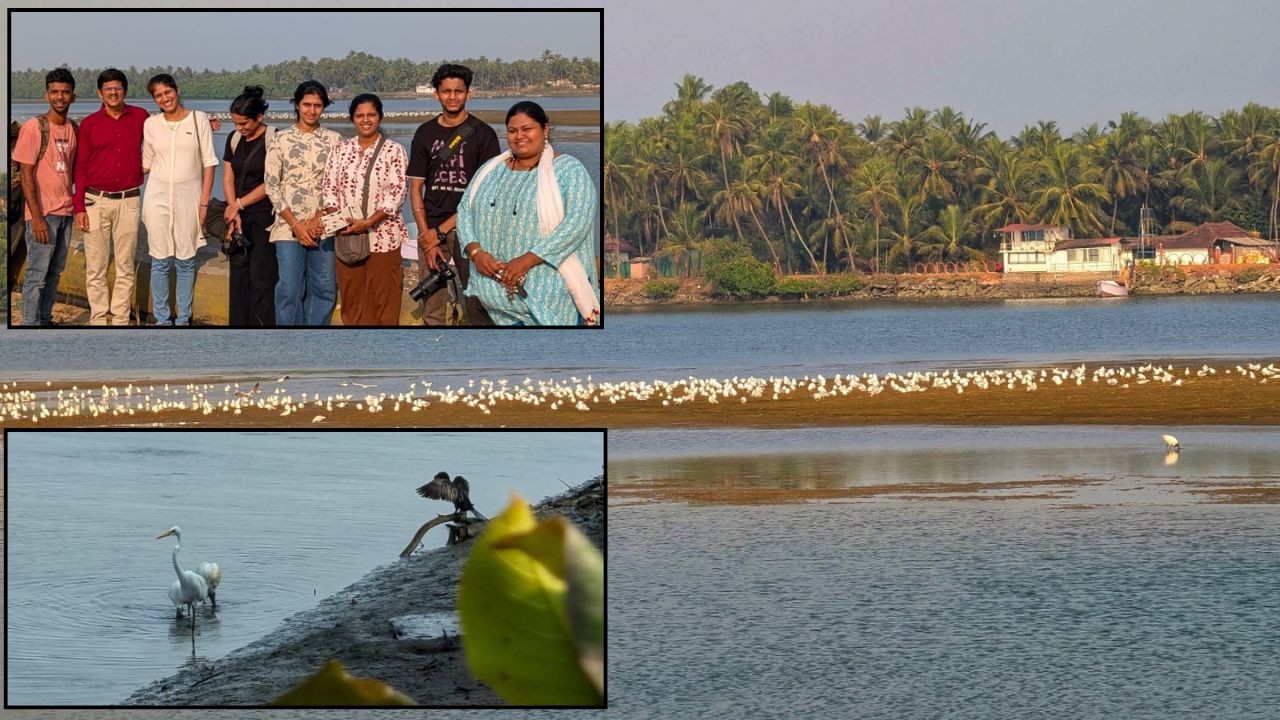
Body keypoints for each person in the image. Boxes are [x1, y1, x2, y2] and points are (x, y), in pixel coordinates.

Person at [457, 101, 600, 326]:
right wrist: (476, 252)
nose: (519, 136)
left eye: (527, 129)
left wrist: (527, 260)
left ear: (545, 129)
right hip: (494, 302)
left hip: (550, 303)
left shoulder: (569, 170)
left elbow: (577, 222)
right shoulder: (490, 169)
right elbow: (464, 209)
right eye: (512, 131)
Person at [406, 63, 500, 325]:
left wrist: (440, 232)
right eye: (446, 91)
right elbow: (415, 189)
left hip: (469, 229)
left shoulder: (484, 135)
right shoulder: (425, 133)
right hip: (431, 228)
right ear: (436, 94)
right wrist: (428, 236)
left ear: (469, 93)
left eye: (458, 91)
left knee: (477, 300)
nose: (452, 96)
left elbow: (481, 194)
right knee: (433, 305)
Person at [321, 93, 408, 326]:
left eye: (371, 115)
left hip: (383, 237)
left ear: (380, 117)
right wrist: (341, 221)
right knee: (352, 298)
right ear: (352, 119)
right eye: (360, 116)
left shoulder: (394, 150)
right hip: (347, 235)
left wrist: (368, 223)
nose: (366, 120)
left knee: (384, 298)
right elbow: (329, 188)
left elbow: (396, 194)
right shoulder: (340, 150)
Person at [73, 68, 149, 325]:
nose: (113, 92)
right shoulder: (90, 124)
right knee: (96, 265)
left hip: (129, 200)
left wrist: (203, 124)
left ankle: (120, 317)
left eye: (117, 88)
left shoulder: (140, 116)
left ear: (124, 91)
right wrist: (79, 207)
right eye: (108, 89)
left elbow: (167, 129)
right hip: (96, 201)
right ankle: (97, 316)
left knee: (126, 263)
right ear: (100, 93)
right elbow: (80, 167)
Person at [141, 74, 217, 326]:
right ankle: (162, 320)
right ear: (155, 99)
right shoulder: (151, 124)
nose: (165, 98)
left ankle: (183, 319)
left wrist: (204, 203)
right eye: (159, 96)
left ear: (177, 89)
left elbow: (209, 163)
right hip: (157, 196)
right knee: (160, 260)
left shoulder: (198, 119)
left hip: (190, 197)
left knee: (186, 260)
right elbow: (146, 163)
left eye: (168, 92)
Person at [264, 80, 342, 326]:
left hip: (324, 226)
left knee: (326, 288)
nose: (311, 110)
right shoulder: (281, 139)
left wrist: (319, 218)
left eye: (317, 105)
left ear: (324, 107)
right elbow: (271, 185)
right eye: (306, 104)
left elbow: (339, 184)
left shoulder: (335, 140)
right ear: (297, 105)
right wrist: (297, 225)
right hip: (288, 226)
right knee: (289, 288)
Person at [13, 68, 78, 327]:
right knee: (36, 275)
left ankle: (46, 319)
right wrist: (36, 218)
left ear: (72, 96)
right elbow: (26, 174)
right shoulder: (34, 127)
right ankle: (30, 324)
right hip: (43, 215)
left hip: (66, 212)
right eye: (54, 92)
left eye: (64, 92)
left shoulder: (74, 128)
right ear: (46, 95)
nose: (59, 97)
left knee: (54, 274)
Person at [222, 85, 277, 326]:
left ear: (259, 117)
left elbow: (271, 182)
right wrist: (233, 209)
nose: (240, 128)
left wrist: (239, 204)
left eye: (244, 123)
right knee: (239, 275)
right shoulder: (233, 139)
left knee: (262, 277)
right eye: (236, 123)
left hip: (265, 216)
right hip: (238, 216)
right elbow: (227, 175)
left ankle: (262, 327)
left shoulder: (274, 138)